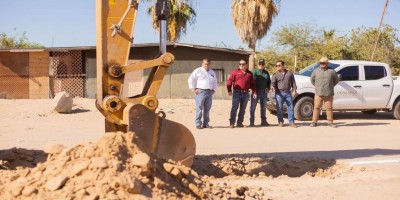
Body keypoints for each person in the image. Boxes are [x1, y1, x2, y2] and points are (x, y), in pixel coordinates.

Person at [188, 58, 218, 129]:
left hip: (209, 92)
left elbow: (215, 82)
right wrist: (194, 88)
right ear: (202, 64)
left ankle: (206, 123)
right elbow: (191, 79)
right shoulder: (198, 71)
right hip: (200, 92)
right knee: (199, 108)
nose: (206, 65)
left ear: (210, 64)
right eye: (205, 64)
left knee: (207, 109)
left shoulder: (212, 72)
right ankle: (198, 123)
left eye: (207, 64)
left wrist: (214, 90)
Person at [310, 57, 339, 128]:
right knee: (316, 108)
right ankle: (314, 122)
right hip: (318, 93)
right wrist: (317, 87)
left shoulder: (332, 71)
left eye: (323, 63)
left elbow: (336, 80)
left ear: (327, 63)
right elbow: (312, 80)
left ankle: (330, 122)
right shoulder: (315, 71)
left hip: (328, 93)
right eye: (321, 63)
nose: (322, 64)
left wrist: (330, 86)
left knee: (329, 108)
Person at [227, 59, 256, 128]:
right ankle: (232, 123)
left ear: (246, 65)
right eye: (240, 64)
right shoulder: (235, 72)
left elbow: (253, 84)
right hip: (237, 92)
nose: (241, 65)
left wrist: (254, 92)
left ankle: (240, 123)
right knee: (234, 108)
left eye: (243, 64)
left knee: (243, 109)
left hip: (246, 93)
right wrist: (229, 90)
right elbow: (230, 81)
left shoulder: (249, 73)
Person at [271, 60, 297, 128]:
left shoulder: (289, 73)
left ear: (283, 65)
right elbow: (273, 83)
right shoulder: (275, 74)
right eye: (276, 65)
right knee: (279, 108)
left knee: (290, 107)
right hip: (279, 93)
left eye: (279, 65)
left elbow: (293, 83)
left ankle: (291, 122)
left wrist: (294, 90)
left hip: (288, 92)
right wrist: (273, 87)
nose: (277, 67)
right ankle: (280, 122)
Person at [249, 59, 271, 127]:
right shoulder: (254, 71)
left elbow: (269, 81)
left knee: (263, 107)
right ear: (258, 64)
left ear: (264, 65)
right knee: (253, 107)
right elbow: (251, 81)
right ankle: (252, 122)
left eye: (262, 64)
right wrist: (251, 89)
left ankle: (263, 121)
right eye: (260, 64)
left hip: (264, 92)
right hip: (256, 92)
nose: (261, 65)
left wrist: (268, 88)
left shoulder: (266, 72)